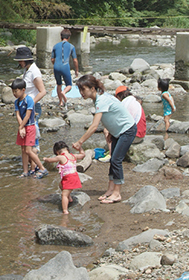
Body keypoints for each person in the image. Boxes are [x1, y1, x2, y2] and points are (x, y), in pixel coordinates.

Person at [72, 75, 137, 204]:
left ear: (92, 88)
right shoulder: (99, 98)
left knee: (116, 160)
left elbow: (94, 126)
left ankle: (117, 193)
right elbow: (109, 116)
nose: (81, 93)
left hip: (127, 130)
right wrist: (109, 131)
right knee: (113, 159)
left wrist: (80, 142)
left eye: (83, 89)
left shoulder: (101, 100)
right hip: (118, 132)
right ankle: (110, 190)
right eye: (80, 90)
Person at [14, 47, 46, 175]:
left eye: (20, 61)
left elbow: (42, 91)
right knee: (27, 135)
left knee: (33, 136)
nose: (19, 63)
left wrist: (31, 105)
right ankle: (32, 166)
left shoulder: (34, 72)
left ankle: (37, 167)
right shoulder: (28, 70)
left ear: (26, 60)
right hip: (25, 106)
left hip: (31, 108)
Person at [12, 78, 47, 179]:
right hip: (22, 127)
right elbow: (18, 115)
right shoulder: (16, 102)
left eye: (16, 91)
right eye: (13, 91)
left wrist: (22, 127)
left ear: (23, 90)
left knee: (28, 150)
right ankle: (25, 171)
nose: (14, 93)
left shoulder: (29, 100)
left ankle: (42, 168)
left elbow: (27, 115)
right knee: (23, 150)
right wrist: (21, 127)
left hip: (30, 127)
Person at [44, 141, 85, 214]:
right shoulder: (73, 156)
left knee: (64, 195)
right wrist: (80, 148)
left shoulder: (61, 157)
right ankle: (69, 198)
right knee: (61, 185)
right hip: (73, 176)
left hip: (69, 178)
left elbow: (50, 160)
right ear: (67, 150)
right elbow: (82, 155)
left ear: (57, 152)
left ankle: (65, 210)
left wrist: (45, 159)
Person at [50, 29, 79, 109]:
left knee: (59, 84)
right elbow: (75, 60)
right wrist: (76, 70)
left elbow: (52, 59)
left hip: (56, 66)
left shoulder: (55, 46)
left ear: (61, 37)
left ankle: (60, 102)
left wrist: (55, 65)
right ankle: (64, 92)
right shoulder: (71, 46)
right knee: (69, 85)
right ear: (69, 37)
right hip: (65, 66)